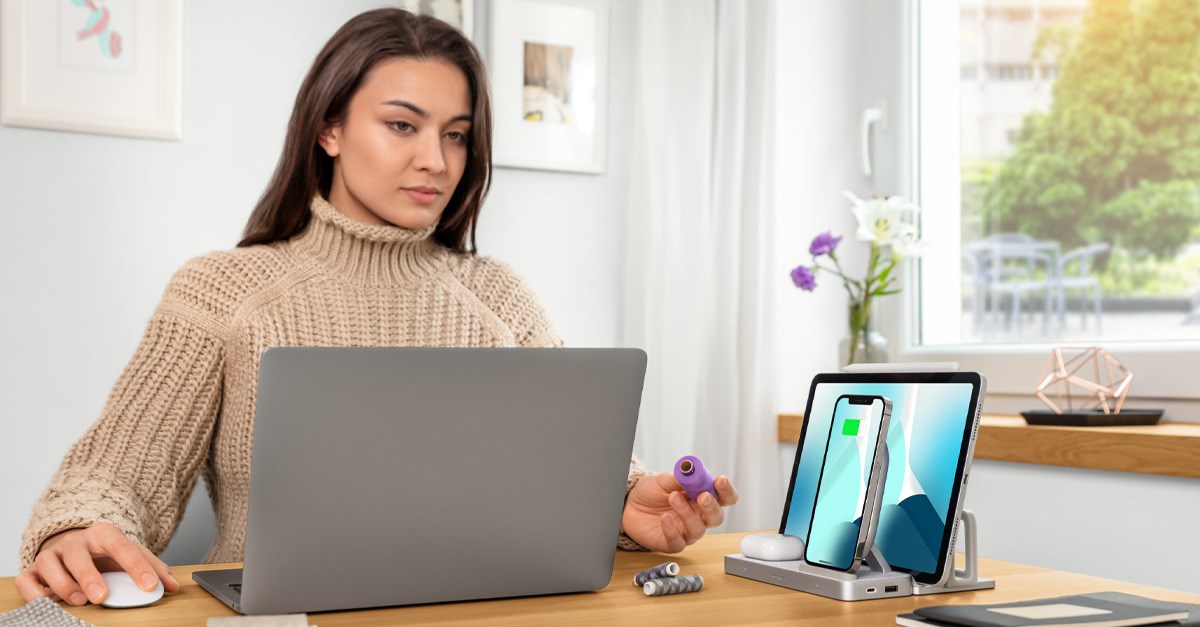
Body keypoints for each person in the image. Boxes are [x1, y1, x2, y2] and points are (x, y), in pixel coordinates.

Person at [14, 9, 739, 606]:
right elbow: (113, 475)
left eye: (456, 134)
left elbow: (569, 469)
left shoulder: (498, 296)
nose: (437, 159)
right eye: (403, 125)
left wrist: (623, 501)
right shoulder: (223, 290)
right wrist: (79, 527)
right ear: (329, 130)